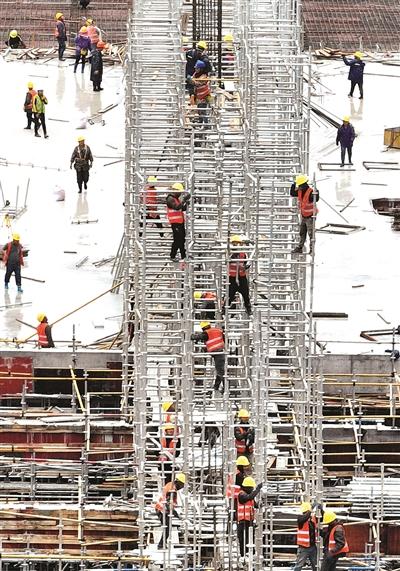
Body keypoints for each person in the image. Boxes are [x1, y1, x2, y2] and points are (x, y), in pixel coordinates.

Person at [191, 321, 225, 393]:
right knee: (219, 370)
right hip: (221, 352)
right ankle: (216, 386)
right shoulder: (218, 330)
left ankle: (226, 388)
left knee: (221, 371)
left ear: (203, 328)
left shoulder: (207, 333)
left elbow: (199, 337)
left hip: (217, 353)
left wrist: (192, 337)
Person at [154, 473, 185, 549]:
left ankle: (162, 544)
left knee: (167, 528)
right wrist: (177, 515)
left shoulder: (170, 485)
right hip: (162, 509)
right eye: (182, 485)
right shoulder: (172, 491)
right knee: (167, 528)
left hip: (160, 508)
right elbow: (169, 505)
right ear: (178, 482)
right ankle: (161, 545)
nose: (182, 487)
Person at [290, 175, 319, 255]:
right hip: (304, 215)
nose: (298, 186)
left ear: (303, 185)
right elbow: (292, 193)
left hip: (310, 216)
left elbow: (316, 199)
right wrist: (293, 184)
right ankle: (300, 248)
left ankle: (312, 250)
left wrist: (317, 192)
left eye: (299, 185)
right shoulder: (300, 191)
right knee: (302, 233)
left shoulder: (310, 192)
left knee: (311, 234)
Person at [236, 476, 263, 559]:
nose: (252, 489)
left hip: (249, 521)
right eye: (251, 488)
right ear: (246, 487)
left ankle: (250, 553)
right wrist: (258, 489)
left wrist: (261, 504)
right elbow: (249, 497)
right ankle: (243, 555)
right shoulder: (242, 495)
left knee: (249, 538)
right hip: (242, 521)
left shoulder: (249, 496)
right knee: (242, 539)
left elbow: (255, 505)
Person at [227, 234, 252, 315]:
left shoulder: (243, 254)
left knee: (245, 294)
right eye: (234, 243)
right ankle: (224, 308)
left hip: (241, 276)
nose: (236, 245)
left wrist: (246, 266)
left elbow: (245, 263)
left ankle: (248, 308)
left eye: (238, 243)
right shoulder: (229, 253)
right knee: (230, 295)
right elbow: (226, 261)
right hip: (232, 277)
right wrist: (233, 255)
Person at [166, 182, 190, 261]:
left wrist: (186, 203)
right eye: (179, 192)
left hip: (180, 222)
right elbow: (176, 207)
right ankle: (172, 256)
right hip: (175, 223)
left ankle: (184, 255)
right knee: (177, 240)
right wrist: (183, 200)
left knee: (182, 239)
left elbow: (181, 208)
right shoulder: (170, 199)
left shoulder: (176, 199)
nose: (180, 193)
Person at [294, 502, 317, 571]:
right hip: (303, 548)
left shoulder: (312, 519)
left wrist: (321, 509)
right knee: (298, 566)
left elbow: (321, 518)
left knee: (316, 566)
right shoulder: (301, 519)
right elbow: (304, 518)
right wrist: (311, 509)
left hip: (312, 546)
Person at [191, 60, 211, 126]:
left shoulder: (204, 76)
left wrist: (192, 81)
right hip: (199, 97)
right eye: (195, 68)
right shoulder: (195, 74)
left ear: (201, 69)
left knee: (203, 111)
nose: (196, 69)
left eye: (197, 68)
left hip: (205, 96)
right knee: (200, 111)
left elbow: (198, 83)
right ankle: (200, 123)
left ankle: (206, 125)